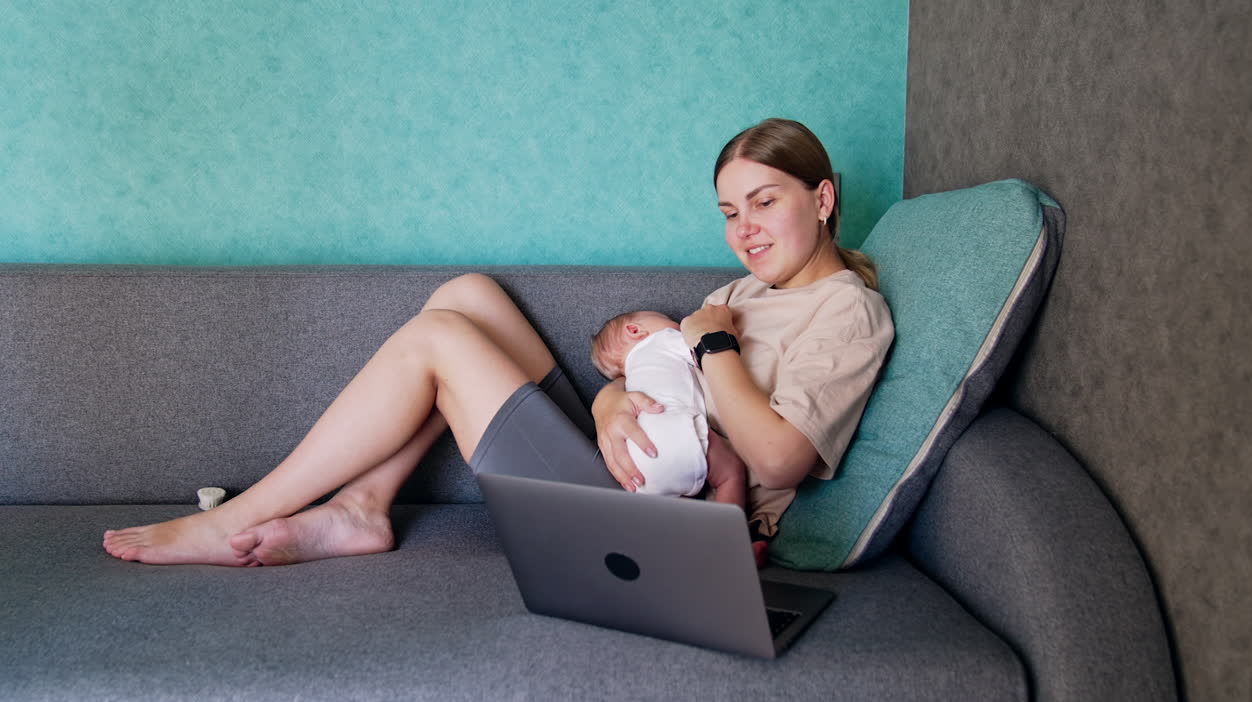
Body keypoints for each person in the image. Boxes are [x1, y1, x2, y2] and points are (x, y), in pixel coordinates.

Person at [103, 118, 894, 568]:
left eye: (764, 202)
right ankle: (363, 507)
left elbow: (781, 459)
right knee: (466, 296)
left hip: (665, 524)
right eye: (728, 212)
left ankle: (241, 515)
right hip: (632, 459)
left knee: (439, 339)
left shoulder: (845, 310)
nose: (744, 230)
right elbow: (639, 367)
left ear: (822, 199)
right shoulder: (744, 294)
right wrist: (613, 403)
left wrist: (715, 344)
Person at [590, 310, 748, 509]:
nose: (678, 323)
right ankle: (731, 535)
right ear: (634, 330)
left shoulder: (631, 379)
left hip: (636, 465)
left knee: (683, 509)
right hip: (673, 432)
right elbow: (703, 349)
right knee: (730, 474)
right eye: (668, 320)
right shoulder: (660, 340)